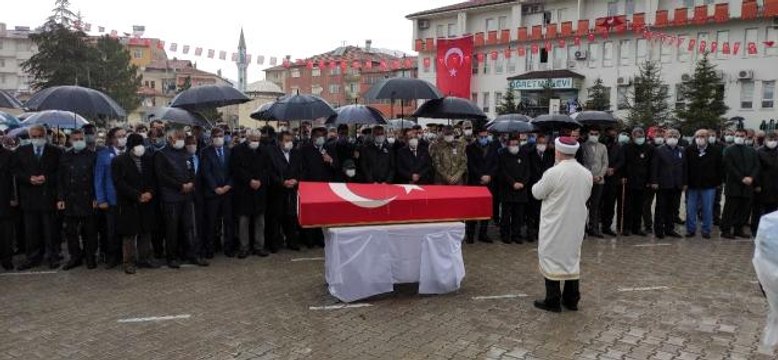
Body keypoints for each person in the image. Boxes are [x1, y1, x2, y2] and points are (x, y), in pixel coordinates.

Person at [531, 137, 593, 313]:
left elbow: (537, 192)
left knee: (552, 258)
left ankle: (553, 300)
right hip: (576, 223)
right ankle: (572, 299)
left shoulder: (554, 172)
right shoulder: (586, 173)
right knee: (571, 258)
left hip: (555, 224)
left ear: (558, 151)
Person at [155, 129, 209, 268]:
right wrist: (180, 186)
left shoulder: (185, 153)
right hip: (171, 197)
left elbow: (192, 171)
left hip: (187, 196)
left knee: (189, 227)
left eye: (182, 137)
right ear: (170, 138)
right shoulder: (161, 154)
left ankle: (192, 254)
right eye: (177, 137)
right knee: (172, 229)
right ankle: (172, 257)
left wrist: (191, 183)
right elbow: (162, 176)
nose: (180, 140)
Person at [14, 125, 62, 270]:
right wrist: (29, 179)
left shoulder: (56, 151)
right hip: (29, 198)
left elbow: (60, 172)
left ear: (45, 136)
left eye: (39, 136)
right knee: (31, 231)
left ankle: (52, 256)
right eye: (33, 137)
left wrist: (46, 178)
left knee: (50, 230)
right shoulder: (21, 151)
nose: (36, 139)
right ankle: (33, 257)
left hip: (48, 196)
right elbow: (16, 171)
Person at [112, 134, 159, 274]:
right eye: (136, 144)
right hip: (129, 202)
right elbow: (119, 183)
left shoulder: (148, 159)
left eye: (141, 144)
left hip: (147, 201)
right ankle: (129, 262)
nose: (140, 147)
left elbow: (154, 179)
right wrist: (137, 195)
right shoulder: (119, 161)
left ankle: (145, 258)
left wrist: (150, 193)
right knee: (129, 234)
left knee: (146, 231)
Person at [57, 130, 98, 270]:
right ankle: (75, 257)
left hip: (88, 198)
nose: (79, 141)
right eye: (76, 139)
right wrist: (60, 197)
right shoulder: (65, 156)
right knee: (71, 231)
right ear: (70, 140)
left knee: (90, 231)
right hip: (70, 198)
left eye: (81, 138)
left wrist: (95, 197)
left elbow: (96, 179)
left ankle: (90, 256)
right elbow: (60, 179)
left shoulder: (93, 155)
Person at [230, 129, 269, 258]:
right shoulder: (237, 150)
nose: (255, 142)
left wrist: (260, 180)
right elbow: (236, 169)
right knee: (243, 220)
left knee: (260, 220)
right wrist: (249, 180)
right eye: (253, 140)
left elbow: (267, 168)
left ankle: (259, 246)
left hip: (259, 189)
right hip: (244, 190)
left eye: (257, 140)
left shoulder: (264, 150)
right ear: (247, 139)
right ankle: (244, 247)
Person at [300, 127, 339, 247]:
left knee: (323, 214)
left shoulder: (329, 148)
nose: (321, 138)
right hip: (310, 186)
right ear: (313, 137)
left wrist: (330, 161)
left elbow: (337, 166)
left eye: (323, 135)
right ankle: (309, 240)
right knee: (311, 214)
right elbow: (302, 167)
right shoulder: (305, 149)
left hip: (325, 186)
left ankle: (321, 238)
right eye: (318, 135)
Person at [200, 128, 235, 258]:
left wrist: (228, 186)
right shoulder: (205, 152)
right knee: (211, 222)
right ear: (211, 138)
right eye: (216, 136)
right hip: (212, 193)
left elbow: (233, 171)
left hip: (227, 192)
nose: (219, 138)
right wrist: (215, 188)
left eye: (221, 135)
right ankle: (210, 248)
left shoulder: (229, 151)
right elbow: (206, 172)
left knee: (228, 222)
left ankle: (229, 247)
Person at [94, 127, 126, 269]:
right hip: (111, 199)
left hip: (128, 199)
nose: (122, 138)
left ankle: (128, 256)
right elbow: (98, 179)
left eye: (124, 135)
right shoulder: (103, 155)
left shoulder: (131, 152)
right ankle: (113, 256)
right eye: (118, 136)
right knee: (111, 230)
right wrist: (101, 199)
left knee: (127, 229)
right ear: (112, 139)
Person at [721, 129, 760, 239]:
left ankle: (739, 229)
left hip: (748, 185)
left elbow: (756, 166)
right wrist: (742, 178)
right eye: (737, 135)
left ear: (746, 136)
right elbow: (729, 167)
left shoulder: (751, 151)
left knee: (744, 209)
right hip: (734, 184)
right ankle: (726, 230)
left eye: (742, 135)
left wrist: (751, 177)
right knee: (730, 209)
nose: (739, 137)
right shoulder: (729, 150)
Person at [267, 131, 302, 252]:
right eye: (286, 140)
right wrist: (282, 182)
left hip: (293, 190)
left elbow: (301, 170)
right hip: (278, 190)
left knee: (292, 216)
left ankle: (292, 241)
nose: (289, 143)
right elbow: (270, 172)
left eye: (290, 140)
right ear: (280, 141)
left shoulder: (296, 153)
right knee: (276, 217)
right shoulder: (272, 153)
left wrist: (296, 180)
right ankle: (275, 243)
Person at [685, 129, 723, 239]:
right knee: (691, 208)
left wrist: (718, 182)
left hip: (709, 185)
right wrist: (685, 182)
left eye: (703, 136)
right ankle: (690, 229)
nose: (700, 138)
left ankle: (706, 230)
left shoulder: (715, 151)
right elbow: (685, 167)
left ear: (707, 137)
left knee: (708, 208)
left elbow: (719, 168)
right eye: (697, 136)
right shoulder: (689, 150)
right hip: (692, 184)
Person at [650, 129, 686, 239]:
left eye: (675, 136)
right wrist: (654, 181)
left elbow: (684, 168)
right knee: (661, 208)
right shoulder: (659, 150)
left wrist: (684, 182)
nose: (673, 138)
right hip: (663, 183)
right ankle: (659, 230)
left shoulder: (681, 150)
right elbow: (654, 167)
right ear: (665, 137)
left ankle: (670, 229)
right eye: (670, 135)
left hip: (677, 184)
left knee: (673, 208)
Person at [465, 127, 498, 243]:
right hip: (475, 182)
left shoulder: (493, 147)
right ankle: (470, 234)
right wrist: (480, 176)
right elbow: (470, 165)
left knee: (486, 209)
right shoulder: (470, 148)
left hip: (489, 182)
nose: (484, 138)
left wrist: (489, 176)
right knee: (473, 209)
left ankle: (483, 233)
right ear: (477, 136)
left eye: (486, 136)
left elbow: (496, 164)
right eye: (482, 136)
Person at [621, 128, 653, 236]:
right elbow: (623, 163)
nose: (639, 138)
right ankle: (626, 227)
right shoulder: (626, 147)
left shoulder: (649, 148)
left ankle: (637, 228)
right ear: (632, 136)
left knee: (639, 206)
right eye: (637, 136)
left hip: (643, 181)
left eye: (641, 136)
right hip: (630, 180)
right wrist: (623, 176)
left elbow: (651, 165)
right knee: (628, 206)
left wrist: (650, 180)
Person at [498, 137, 530, 244]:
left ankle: (516, 234)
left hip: (521, 189)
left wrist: (523, 183)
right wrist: (513, 183)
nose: (514, 146)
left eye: (516, 144)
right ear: (507, 145)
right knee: (506, 215)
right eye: (512, 144)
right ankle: (505, 235)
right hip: (507, 188)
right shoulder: (503, 155)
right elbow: (502, 171)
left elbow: (528, 171)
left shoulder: (524, 154)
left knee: (518, 214)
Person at [581, 128, 608, 238]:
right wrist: (590, 176)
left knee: (595, 206)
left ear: (599, 135)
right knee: (584, 205)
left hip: (599, 180)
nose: (593, 135)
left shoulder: (603, 147)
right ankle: (582, 228)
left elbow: (605, 163)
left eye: (596, 134)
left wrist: (600, 175)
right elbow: (582, 162)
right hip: (586, 180)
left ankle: (594, 228)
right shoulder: (583, 146)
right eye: (591, 133)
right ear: (588, 134)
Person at [527, 134, 554, 242]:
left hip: (545, 186)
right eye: (540, 143)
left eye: (544, 143)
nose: (542, 145)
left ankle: (540, 233)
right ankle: (530, 233)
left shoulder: (549, 154)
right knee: (531, 212)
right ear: (536, 143)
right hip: (533, 185)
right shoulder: (530, 154)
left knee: (543, 212)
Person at [601, 129, 626, 236]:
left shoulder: (619, 146)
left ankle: (607, 226)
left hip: (613, 178)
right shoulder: (602, 145)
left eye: (614, 132)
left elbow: (622, 160)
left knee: (610, 204)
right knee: (599, 204)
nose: (612, 133)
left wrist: (613, 169)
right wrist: (604, 169)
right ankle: (596, 225)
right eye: (610, 131)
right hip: (601, 177)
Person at [755, 132, 778, 236]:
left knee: (773, 211)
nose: (772, 141)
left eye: (775, 139)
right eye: (770, 139)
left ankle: (772, 231)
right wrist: (757, 184)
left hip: (776, 186)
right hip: (764, 185)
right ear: (765, 140)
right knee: (759, 210)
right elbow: (756, 170)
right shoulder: (759, 152)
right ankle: (757, 230)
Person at [0, 140, 14, 270]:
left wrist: (13, 197)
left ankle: (7, 259)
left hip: (5, 199)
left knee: (6, 233)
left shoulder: (8, 155)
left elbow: (13, 178)